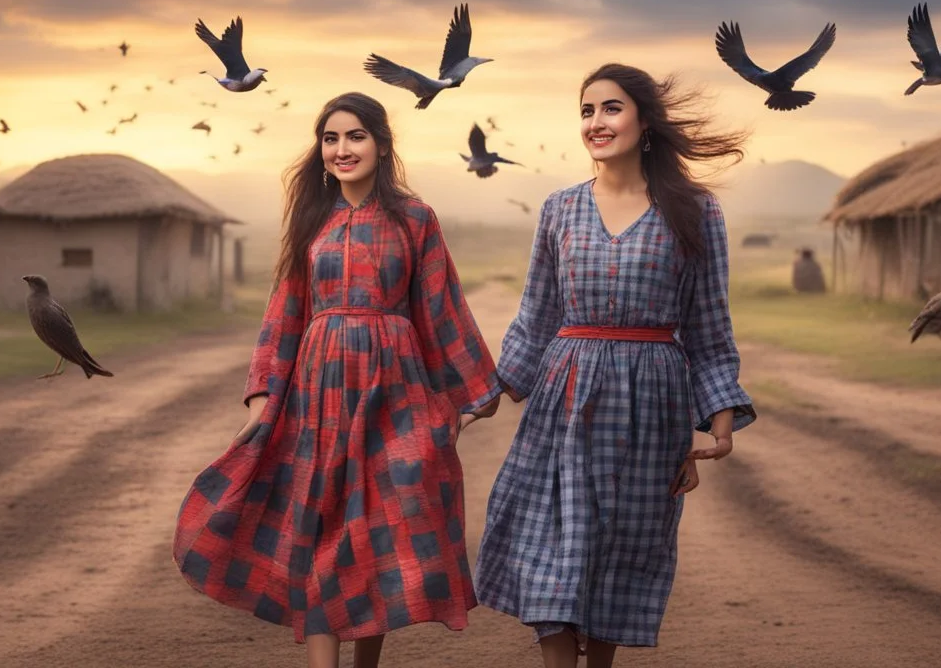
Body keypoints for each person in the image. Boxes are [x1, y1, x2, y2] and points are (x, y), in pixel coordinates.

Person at [173, 92, 501, 668]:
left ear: (380, 143)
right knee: (321, 533)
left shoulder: (415, 218)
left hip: (395, 396)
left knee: (377, 534)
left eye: (355, 137)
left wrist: (469, 394)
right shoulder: (310, 221)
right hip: (317, 398)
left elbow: (438, 306)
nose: (342, 149)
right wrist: (261, 397)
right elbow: (285, 311)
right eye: (331, 138)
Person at [475, 63, 757, 668]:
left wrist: (722, 418)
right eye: (586, 111)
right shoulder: (559, 209)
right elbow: (535, 314)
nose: (596, 122)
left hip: (651, 405)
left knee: (619, 553)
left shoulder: (696, 212)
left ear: (644, 120)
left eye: (610, 108)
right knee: (550, 545)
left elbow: (709, 324)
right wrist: (486, 394)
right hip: (566, 397)